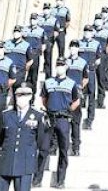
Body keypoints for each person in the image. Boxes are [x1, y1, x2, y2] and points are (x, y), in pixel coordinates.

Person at [0, 83, 48, 191]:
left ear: (31, 96)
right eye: (19, 95)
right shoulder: (6, 115)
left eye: (26, 94)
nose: (22, 97)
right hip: (6, 161)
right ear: (15, 96)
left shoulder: (38, 116)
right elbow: (0, 137)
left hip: (25, 163)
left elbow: (41, 141)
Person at [39, 59, 81, 188]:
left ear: (66, 67)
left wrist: (67, 110)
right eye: (57, 65)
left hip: (63, 119)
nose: (59, 68)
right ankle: (37, 179)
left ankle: (60, 180)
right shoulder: (48, 82)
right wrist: (50, 109)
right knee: (43, 149)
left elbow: (77, 101)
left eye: (62, 65)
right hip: (50, 118)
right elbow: (43, 98)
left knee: (63, 151)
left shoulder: (71, 83)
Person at [63, 40, 90, 155]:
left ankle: (76, 147)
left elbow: (86, 78)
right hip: (65, 94)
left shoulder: (83, 62)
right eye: (72, 46)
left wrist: (79, 88)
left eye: (75, 47)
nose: (73, 49)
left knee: (75, 122)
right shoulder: (64, 61)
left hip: (76, 95)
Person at [78, 24, 102, 129]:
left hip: (91, 72)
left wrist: (90, 68)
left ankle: (89, 120)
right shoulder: (78, 43)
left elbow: (98, 59)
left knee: (91, 97)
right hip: (81, 74)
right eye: (85, 31)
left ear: (92, 33)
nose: (87, 33)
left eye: (89, 31)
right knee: (79, 96)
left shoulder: (96, 44)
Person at [38, 3, 58, 75]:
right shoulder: (39, 18)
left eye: (47, 9)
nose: (46, 10)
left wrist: (51, 42)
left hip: (49, 41)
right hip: (39, 41)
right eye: (45, 9)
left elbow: (56, 32)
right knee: (36, 59)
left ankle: (48, 75)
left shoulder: (54, 19)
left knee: (48, 59)